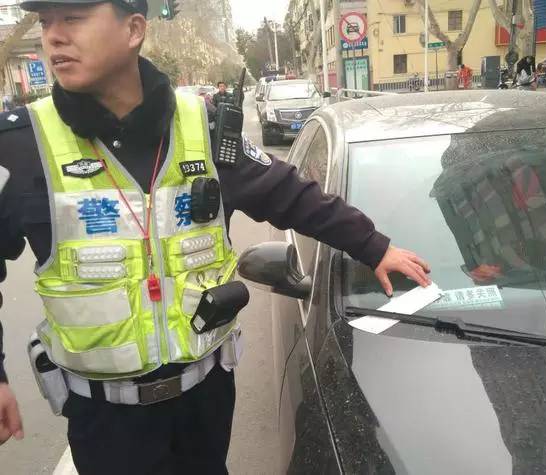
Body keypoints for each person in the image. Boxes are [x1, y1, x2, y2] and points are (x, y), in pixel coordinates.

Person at [0, 1, 430, 474]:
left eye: (73, 18)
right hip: (104, 422)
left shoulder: (201, 127)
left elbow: (290, 195)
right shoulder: (22, 145)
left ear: (134, 29)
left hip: (204, 405)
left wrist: (374, 247)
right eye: (46, 22)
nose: (53, 37)